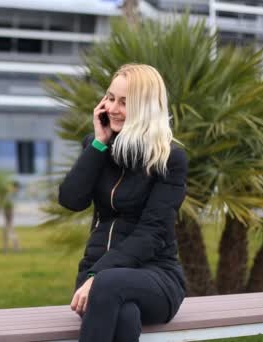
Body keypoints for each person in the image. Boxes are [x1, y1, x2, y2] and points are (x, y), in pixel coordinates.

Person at [58, 63, 188, 342]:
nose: (113, 108)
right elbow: (71, 200)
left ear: (145, 108)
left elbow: (152, 233)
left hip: (156, 278)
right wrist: (98, 144)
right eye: (111, 97)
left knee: (108, 286)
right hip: (96, 277)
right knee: (124, 316)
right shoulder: (96, 146)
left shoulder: (169, 159)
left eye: (125, 102)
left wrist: (99, 274)